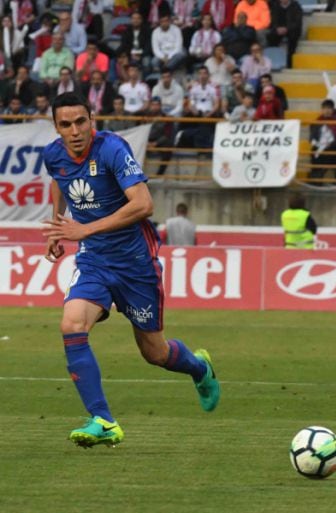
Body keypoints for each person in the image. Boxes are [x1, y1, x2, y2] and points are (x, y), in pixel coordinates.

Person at [40, 92, 220, 448]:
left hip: (135, 263)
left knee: (155, 352)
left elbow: (144, 204)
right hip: (94, 259)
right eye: (65, 124)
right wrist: (59, 225)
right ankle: (103, 420)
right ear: (56, 127)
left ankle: (199, 368)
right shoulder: (54, 155)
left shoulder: (111, 149)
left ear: (93, 120)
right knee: (71, 324)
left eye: (81, 121)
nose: (74, 130)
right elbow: (59, 180)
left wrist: (83, 229)